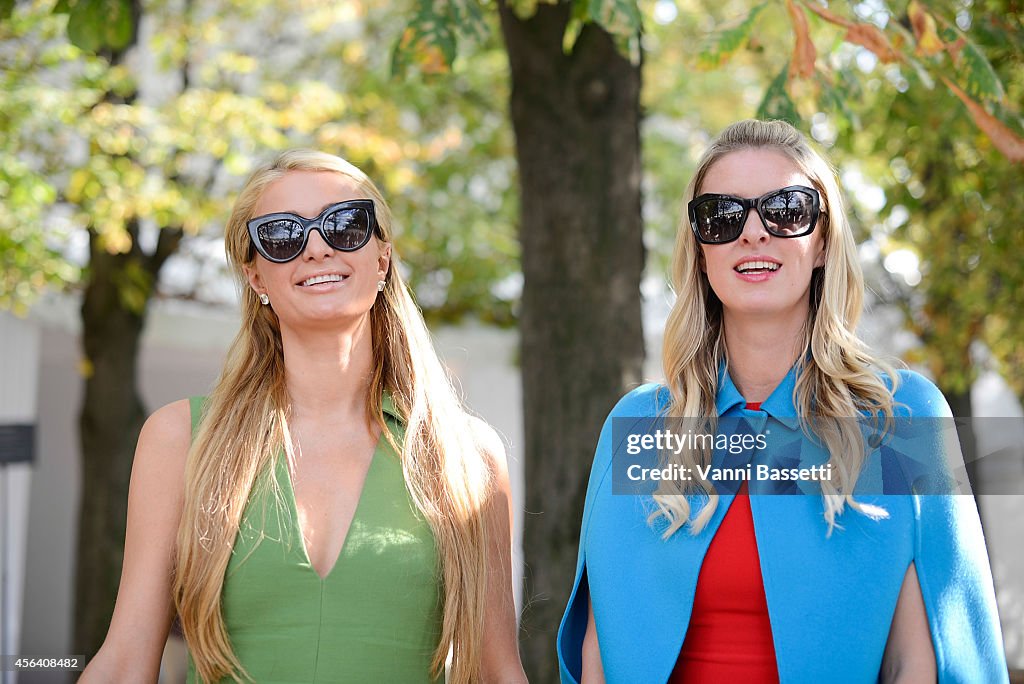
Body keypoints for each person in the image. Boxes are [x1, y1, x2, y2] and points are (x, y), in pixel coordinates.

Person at [557, 119, 1008, 683]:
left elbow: (920, 660)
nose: (753, 234)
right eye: (722, 216)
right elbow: (600, 653)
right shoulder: (639, 424)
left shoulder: (900, 418)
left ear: (822, 241)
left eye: (786, 210)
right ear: (699, 252)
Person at [82, 150, 527, 683]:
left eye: (344, 225)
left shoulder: (465, 455)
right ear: (256, 277)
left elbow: (499, 672)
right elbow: (127, 659)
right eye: (283, 235)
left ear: (382, 259)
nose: (316, 247)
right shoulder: (180, 439)